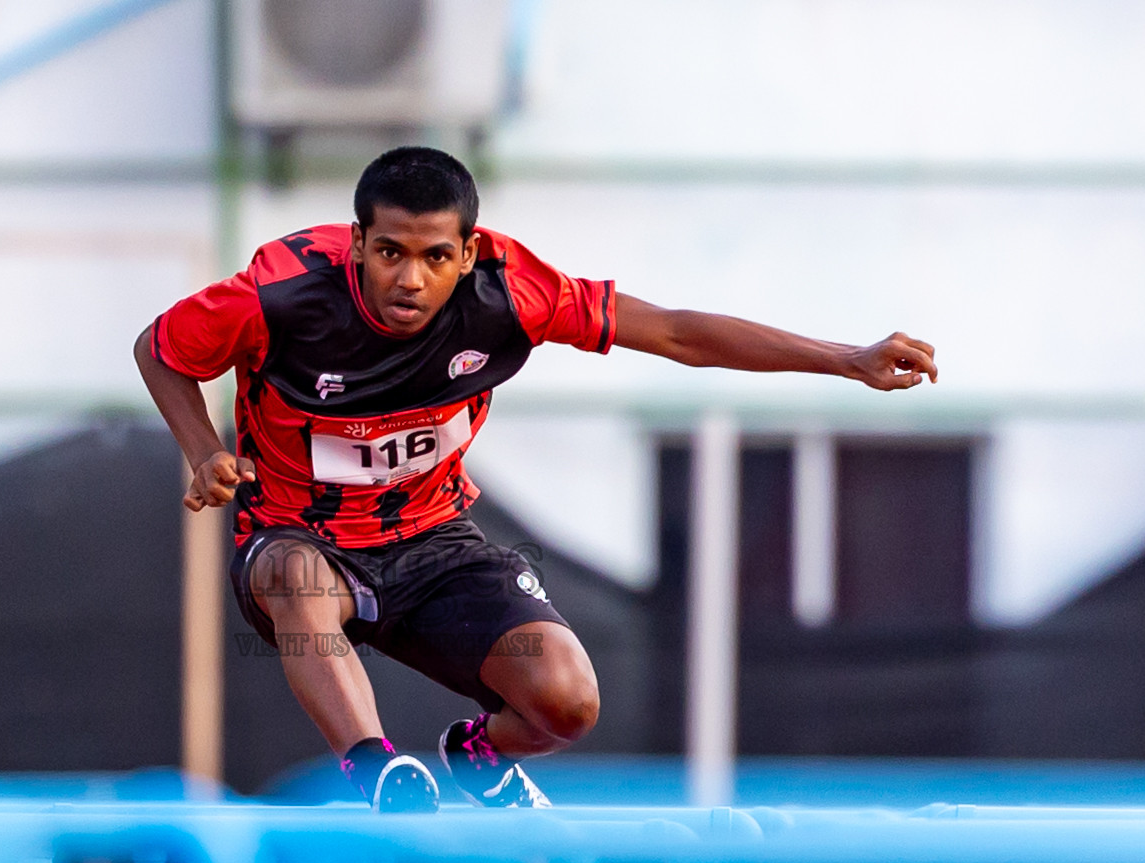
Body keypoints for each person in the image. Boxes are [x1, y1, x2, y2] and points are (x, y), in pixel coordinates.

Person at [135, 146, 936, 812]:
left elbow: (676, 334)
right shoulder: (279, 293)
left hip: (432, 539)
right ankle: (377, 773)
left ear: (467, 254)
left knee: (566, 701)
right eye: (389, 253)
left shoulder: (511, 292)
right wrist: (204, 450)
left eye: (434, 257)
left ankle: (478, 758)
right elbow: (160, 347)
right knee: (294, 574)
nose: (409, 279)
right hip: (299, 537)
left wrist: (845, 359)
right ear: (356, 244)